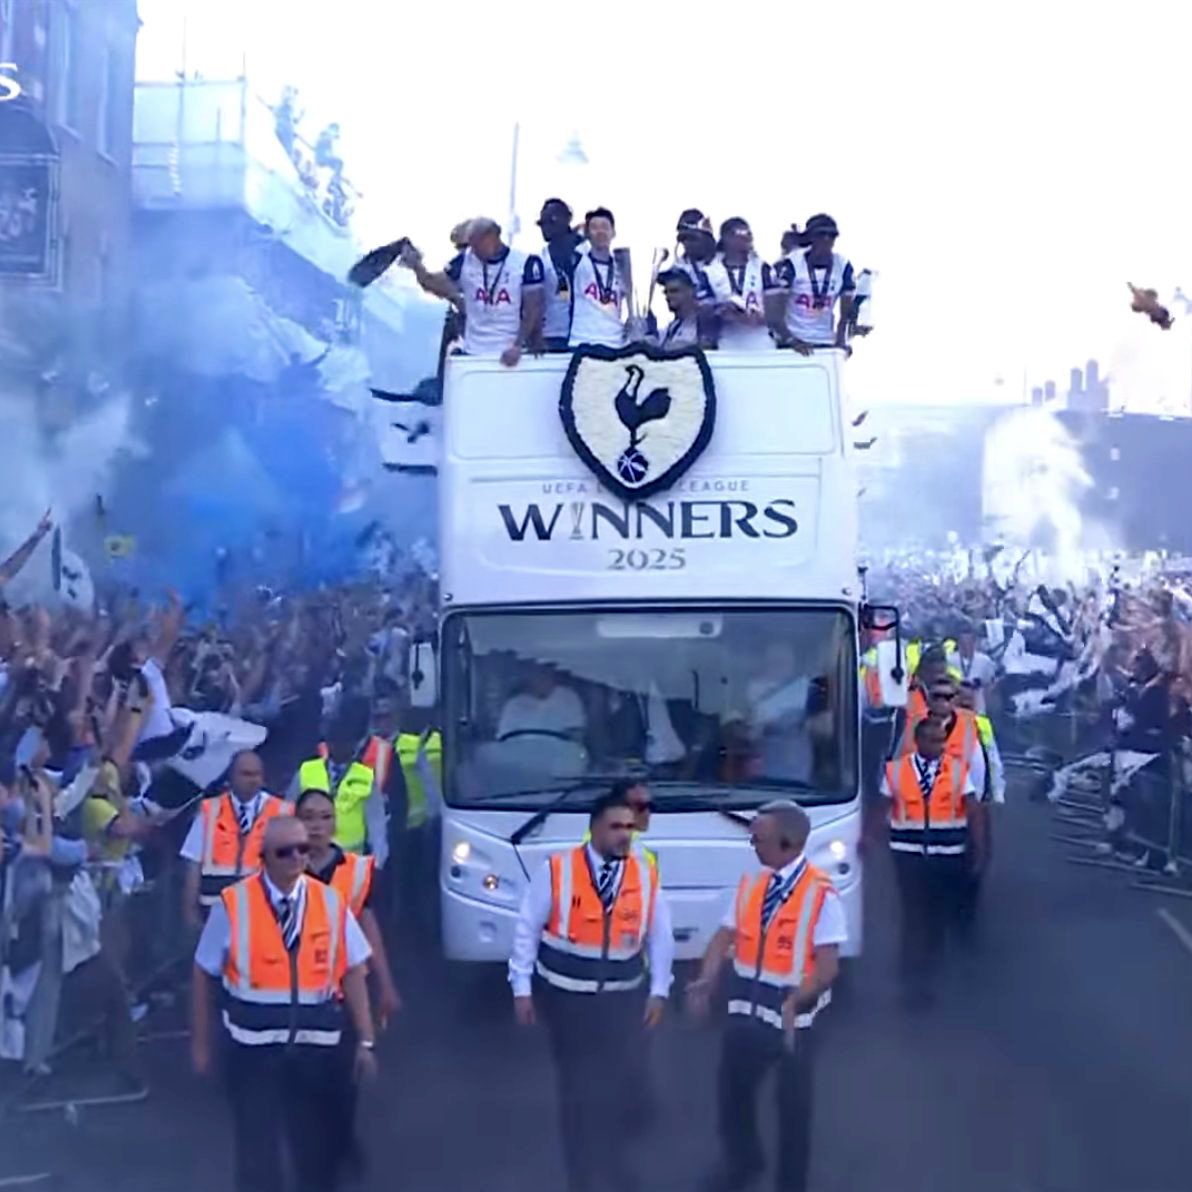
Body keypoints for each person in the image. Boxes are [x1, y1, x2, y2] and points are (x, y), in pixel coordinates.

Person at [191, 815, 377, 1192]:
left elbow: (353, 971)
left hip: (315, 1053)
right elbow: (203, 972)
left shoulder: (330, 902)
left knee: (315, 1152)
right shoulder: (233, 905)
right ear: (264, 857)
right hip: (253, 1055)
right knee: (257, 1155)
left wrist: (366, 1040)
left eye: (302, 849)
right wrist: (202, 1044)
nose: (296, 858)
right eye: (284, 852)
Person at [508, 789, 673, 1192]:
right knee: (577, 1088)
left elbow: (660, 935)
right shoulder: (557, 870)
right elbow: (527, 928)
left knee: (620, 1084)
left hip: (622, 999)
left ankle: (612, 1163)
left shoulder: (644, 874)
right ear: (595, 829)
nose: (625, 835)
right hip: (568, 1000)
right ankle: (580, 1176)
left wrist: (659, 990)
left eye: (629, 827)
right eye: (616, 827)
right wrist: (521, 987)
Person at [688, 800, 845, 1192]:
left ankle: (791, 1184)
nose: (753, 846)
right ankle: (742, 1163)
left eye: (759, 839)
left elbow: (827, 967)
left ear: (787, 843)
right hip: (746, 1015)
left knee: (793, 1109)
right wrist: (707, 978)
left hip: (795, 1024)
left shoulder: (822, 896)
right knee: (732, 1094)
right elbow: (723, 937)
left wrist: (797, 999)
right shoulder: (752, 886)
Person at [296, 788, 400, 1181]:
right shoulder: (283, 868)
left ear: (335, 823)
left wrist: (386, 985)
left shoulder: (356, 871)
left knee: (345, 1081)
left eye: (324, 817)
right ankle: (321, 1154)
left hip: (347, 991)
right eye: (308, 817)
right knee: (306, 1083)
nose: (317, 826)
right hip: (300, 993)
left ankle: (341, 1141)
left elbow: (369, 928)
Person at [881, 717, 987, 1004]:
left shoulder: (957, 770)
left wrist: (978, 850)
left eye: (942, 741)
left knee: (936, 917)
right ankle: (911, 978)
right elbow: (882, 807)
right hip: (908, 855)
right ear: (918, 742)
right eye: (932, 740)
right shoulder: (896, 771)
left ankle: (930, 973)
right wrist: (867, 839)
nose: (939, 746)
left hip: (947, 856)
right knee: (913, 916)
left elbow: (973, 811)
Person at [401, 217, 544, 366]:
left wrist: (518, 346)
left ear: (492, 237)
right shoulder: (465, 260)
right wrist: (417, 267)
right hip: (473, 353)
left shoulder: (525, 263)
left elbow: (534, 309)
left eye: (477, 245)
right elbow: (435, 284)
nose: (473, 251)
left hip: (509, 353)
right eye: (471, 245)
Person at [180, 750, 292, 929]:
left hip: (263, 911)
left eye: (257, 774)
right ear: (231, 777)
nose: (253, 780)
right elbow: (193, 861)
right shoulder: (210, 810)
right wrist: (189, 910)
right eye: (246, 774)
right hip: (215, 910)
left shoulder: (282, 812)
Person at [292, 699, 390, 865]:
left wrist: (378, 862)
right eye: (335, 740)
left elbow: (377, 825)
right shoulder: (307, 770)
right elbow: (288, 814)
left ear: (354, 745)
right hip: (309, 857)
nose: (339, 746)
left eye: (345, 741)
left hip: (350, 860)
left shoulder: (365, 776)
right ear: (328, 743)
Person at [767, 213, 856, 353]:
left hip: (825, 340)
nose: (826, 239)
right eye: (821, 234)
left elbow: (846, 312)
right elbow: (775, 311)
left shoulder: (843, 265)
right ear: (810, 237)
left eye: (832, 236)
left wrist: (841, 341)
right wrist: (790, 340)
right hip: (792, 341)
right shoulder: (791, 264)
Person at [707, 218, 774, 352]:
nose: (746, 238)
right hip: (726, 346)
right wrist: (721, 311)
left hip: (762, 344)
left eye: (749, 233)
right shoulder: (710, 271)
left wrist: (756, 317)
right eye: (740, 233)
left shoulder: (763, 268)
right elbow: (704, 312)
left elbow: (775, 312)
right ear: (726, 238)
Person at [569, 207, 628, 349]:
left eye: (605, 227)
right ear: (587, 233)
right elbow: (562, 290)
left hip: (615, 342)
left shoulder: (622, 267)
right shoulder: (577, 261)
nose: (600, 232)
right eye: (594, 228)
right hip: (582, 340)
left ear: (613, 233)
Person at [496, 662, 586, 742]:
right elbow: (504, 739)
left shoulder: (567, 697)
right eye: (537, 673)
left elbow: (576, 734)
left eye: (546, 673)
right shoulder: (514, 704)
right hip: (523, 753)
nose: (542, 677)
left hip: (559, 753)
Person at [538, 197, 583, 350]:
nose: (545, 227)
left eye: (551, 221)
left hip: (583, 332)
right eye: (542, 223)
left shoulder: (585, 251)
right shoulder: (542, 257)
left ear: (566, 220)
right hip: (554, 333)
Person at [947, 624, 998, 713]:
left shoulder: (984, 661)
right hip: (956, 704)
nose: (966, 647)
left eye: (969, 643)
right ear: (958, 643)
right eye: (963, 644)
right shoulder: (950, 660)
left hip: (978, 705)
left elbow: (989, 685)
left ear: (974, 643)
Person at [653, 268, 705, 351]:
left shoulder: (705, 324)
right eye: (666, 292)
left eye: (674, 291)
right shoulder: (672, 328)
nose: (668, 296)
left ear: (692, 291)